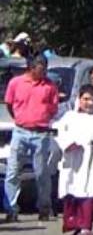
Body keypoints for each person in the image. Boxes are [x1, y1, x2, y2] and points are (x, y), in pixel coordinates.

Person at [54, 84, 93, 235]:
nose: (90, 103)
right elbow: (60, 132)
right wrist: (68, 143)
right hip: (73, 161)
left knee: (88, 193)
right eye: (86, 99)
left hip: (92, 162)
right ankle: (76, 227)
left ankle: (86, 228)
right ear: (79, 100)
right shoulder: (70, 117)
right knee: (72, 192)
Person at [4, 54, 58, 221]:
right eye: (39, 69)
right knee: (13, 171)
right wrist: (21, 118)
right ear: (31, 68)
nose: (43, 72)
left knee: (41, 172)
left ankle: (44, 207)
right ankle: (11, 209)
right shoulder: (16, 83)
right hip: (20, 131)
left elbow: (53, 108)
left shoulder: (50, 86)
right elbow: (9, 104)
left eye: (45, 69)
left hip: (40, 133)